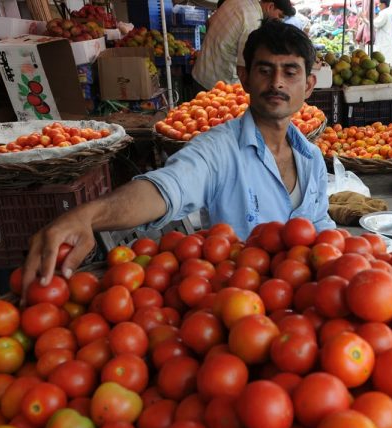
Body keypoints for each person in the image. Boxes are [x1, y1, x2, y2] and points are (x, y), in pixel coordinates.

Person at [22, 20, 336, 288]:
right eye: (265, 70)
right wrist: (88, 216)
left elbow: (321, 228)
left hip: (303, 312)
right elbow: (165, 188)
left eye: (290, 72)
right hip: (239, 303)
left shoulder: (311, 159)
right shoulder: (218, 150)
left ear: (309, 85)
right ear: (245, 77)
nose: (277, 82)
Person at [192, 0, 296, 91]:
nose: (279, 21)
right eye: (280, 16)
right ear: (270, 7)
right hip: (217, 86)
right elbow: (243, 67)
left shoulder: (238, 1)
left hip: (200, 72)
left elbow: (209, 22)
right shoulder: (253, 22)